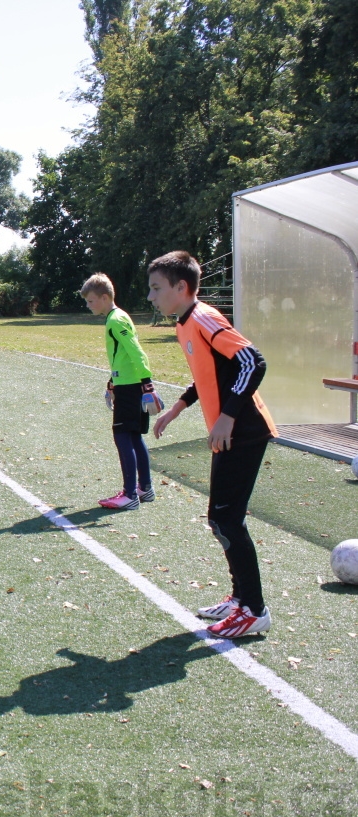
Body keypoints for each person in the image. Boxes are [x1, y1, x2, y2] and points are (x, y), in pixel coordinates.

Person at [149, 251, 277, 638]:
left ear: (181, 287)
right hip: (229, 432)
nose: (151, 297)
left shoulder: (204, 317)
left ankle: (254, 609)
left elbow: (252, 361)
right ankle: (240, 600)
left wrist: (228, 416)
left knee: (226, 520)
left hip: (245, 431)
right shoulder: (185, 323)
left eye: (156, 288)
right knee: (221, 519)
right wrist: (176, 409)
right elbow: (209, 373)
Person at [81, 273, 163, 510]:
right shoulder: (118, 317)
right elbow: (123, 357)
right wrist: (112, 381)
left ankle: (129, 495)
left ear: (104, 298)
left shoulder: (115, 320)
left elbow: (136, 351)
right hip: (127, 383)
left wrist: (147, 383)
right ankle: (145, 488)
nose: (89, 305)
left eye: (91, 301)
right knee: (134, 436)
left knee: (122, 436)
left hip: (131, 388)